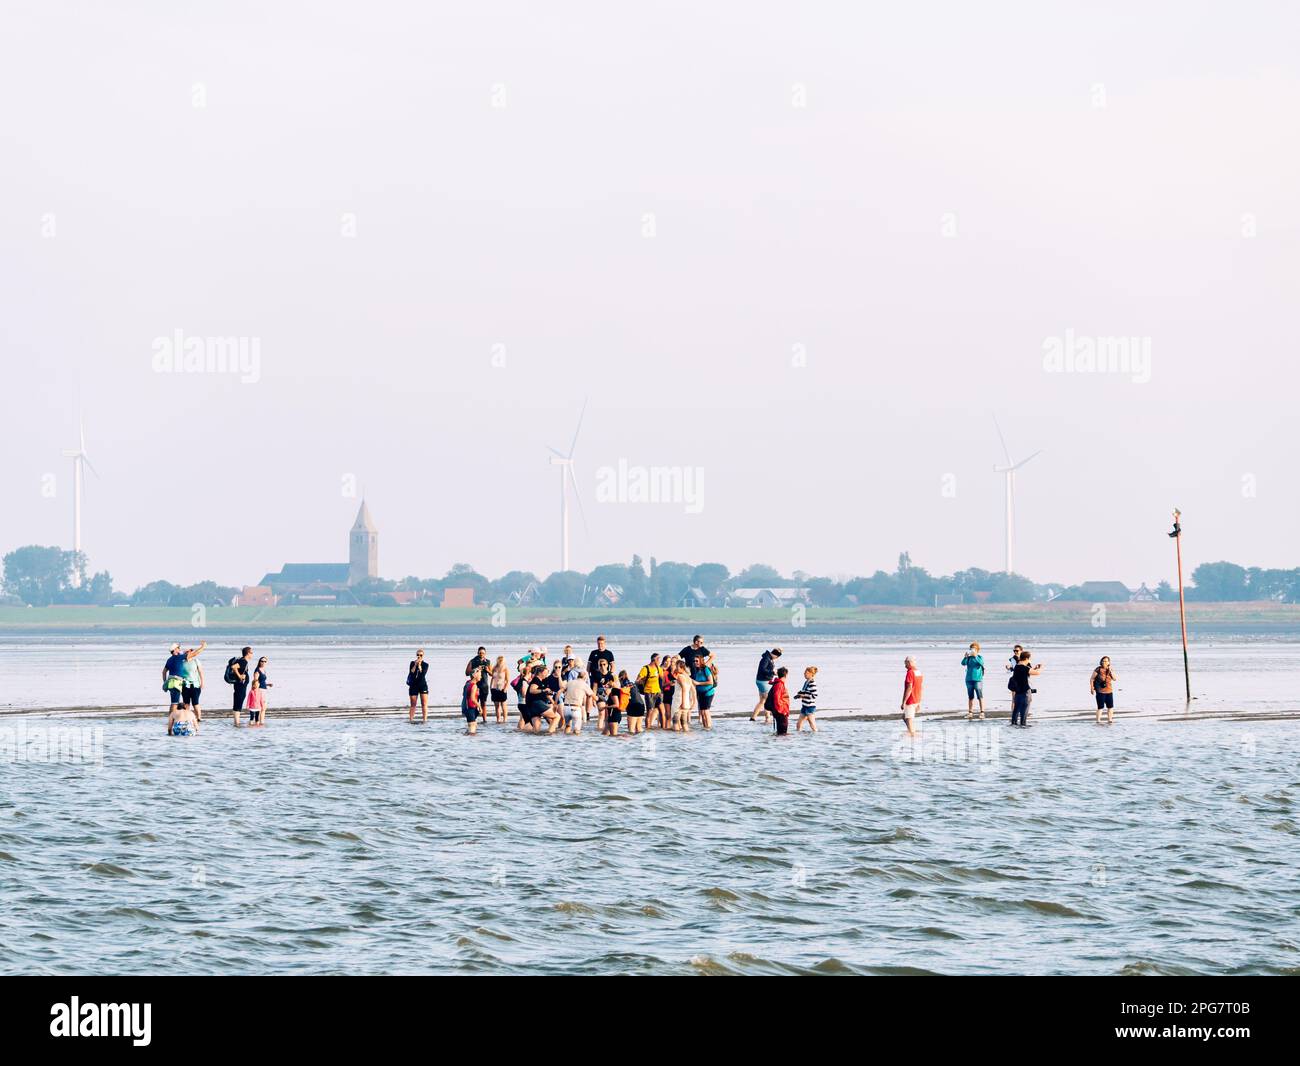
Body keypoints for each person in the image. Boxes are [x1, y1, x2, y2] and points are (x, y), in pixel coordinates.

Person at [523, 665, 561, 734]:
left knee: (537, 729)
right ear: (540, 673)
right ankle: (550, 733)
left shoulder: (541, 681)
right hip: (536, 704)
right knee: (557, 716)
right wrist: (543, 690)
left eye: (547, 672)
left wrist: (553, 702)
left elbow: (545, 693)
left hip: (531, 706)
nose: (546, 674)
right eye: (545, 673)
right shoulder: (536, 679)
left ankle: (535, 744)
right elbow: (532, 690)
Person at [1008, 650, 1042, 727]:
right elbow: (1037, 673)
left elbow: (1028, 672)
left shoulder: (1016, 667)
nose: (1030, 661)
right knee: (1023, 717)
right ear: (1026, 658)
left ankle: (1014, 727)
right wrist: (1040, 668)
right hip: (1025, 693)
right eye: (1029, 659)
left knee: (1015, 712)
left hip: (1017, 693)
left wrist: (1035, 668)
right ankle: (1023, 731)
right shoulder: (1024, 668)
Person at [751, 647, 782, 722]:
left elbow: (765, 670)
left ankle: (755, 717)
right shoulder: (766, 659)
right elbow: (763, 669)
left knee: (762, 701)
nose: (776, 659)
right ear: (775, 655)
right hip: (763, 681)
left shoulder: (768, 658)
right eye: (777, 657)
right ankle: (767, 718)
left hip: (762, 681)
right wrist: (772, 672)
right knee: (767, 700)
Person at [226, 646, 254, 727]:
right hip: (240, 686)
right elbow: (233, 667)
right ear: (248, 653)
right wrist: (240, 676)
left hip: (239, 685)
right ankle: (237, 723)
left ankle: (236, 722)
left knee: (237, 704)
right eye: (251, 653)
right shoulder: (243, 661)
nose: (252, 654)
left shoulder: (242, 660)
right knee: (238, 704)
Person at [561, 669, 592, 734]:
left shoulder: (570, 682)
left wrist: (555, 703)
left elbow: (559, 692)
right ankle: (575, 743)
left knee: (567, 727)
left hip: (566, 708)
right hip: (576, 708)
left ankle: (564, 742)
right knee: (577, 731)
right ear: (585, 677)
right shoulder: (584, 684)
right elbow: (591, 695)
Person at [179, 643, 205, 721]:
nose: (188, 652)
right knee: (186, 703)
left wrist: (202, 682)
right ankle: (187, 718)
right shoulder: (181, 662)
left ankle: (199, 718)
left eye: (190, 651)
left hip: (195, 685)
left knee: (195, 703)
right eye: (186, 651)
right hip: (185, 685)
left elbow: (201, 672)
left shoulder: (196, 661)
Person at [636, 653, 663, 728]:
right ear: (654, 660)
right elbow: (637, 680)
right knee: (649, 712)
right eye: (658, 659)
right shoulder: (645, 668)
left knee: (662, 711)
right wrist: (642, 680)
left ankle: (664, 729)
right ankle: (648, 728)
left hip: (658, 692)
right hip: (649, 693)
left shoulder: (658, 668)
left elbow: (663, 678)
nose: (659, 661)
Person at [691, 655, 717, 730]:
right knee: (702, 712)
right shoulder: (696, 670)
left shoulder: (705, 669)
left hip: (708, 692)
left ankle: (709, 728)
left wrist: (698, 683)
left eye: (697, 661)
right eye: (694, 661)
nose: (695, 662)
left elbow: (711, 682)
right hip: (700, 693)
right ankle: (705, 728)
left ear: (701, 661)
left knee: (706, 711)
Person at [466, 647, 491, 722]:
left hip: (484, 685)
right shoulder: (472, 661)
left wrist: (487, 670)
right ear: (477, 653)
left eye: (483, 653)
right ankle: (473, 718)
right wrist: (476, 669)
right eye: (480, 653)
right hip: (475, 685)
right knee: (473, 702)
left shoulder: (488, 661)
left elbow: (492, 674)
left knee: (483, 703)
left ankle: (484, 720)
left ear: (485, 653)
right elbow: (467, 673)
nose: (481, 654)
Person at [900, 656, 923, 738]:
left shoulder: (910, 672)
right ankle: (912, 731)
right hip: (917, 698)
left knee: (908, 718)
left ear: (909, 663)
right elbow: (920, 687)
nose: (905, 666)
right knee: (904, 717)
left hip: (911, 699)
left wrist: (903, 702)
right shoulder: (918, 672)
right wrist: (919, 702)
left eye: (905, 663)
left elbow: (909, 688)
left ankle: (912, 735)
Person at [961, 642, 986, 720]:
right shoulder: (968, 658)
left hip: (978, 679)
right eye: (971, 648)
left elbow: (981, 663)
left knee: (980, 695)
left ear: (977, 650)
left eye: (974, 648)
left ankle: (982, 712)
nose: (972, 650)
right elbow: (962, 663)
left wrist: (975, 656)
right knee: (970, 696)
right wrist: (965, 657)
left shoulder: (979, 657)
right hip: (968, 679)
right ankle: (970, 712)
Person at [1090, 656, 1117, 725]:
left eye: (1106, 661)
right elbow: (1092, 679)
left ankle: (1110, 720)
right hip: (1100, 691)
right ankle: (1098, 721)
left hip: (1109, 691)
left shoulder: (1110, 669)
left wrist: (1110, 671)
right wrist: (1092, 688)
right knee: (1100, 707)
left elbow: (1114, 679)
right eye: (1103, 661)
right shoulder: (1098, 669)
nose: (1105, 662)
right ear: (1101, 662)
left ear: (1109, 662)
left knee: (1110, 707)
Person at [620, 669, 648, 734]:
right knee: (639, 728)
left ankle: (632, 744)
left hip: (633, 705)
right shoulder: (633, 684)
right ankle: (642, 740)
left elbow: (624, 698)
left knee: (631, 730)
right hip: (641, 705)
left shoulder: (623, 685)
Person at [670, 662, 696, 732]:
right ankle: (686, 738)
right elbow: (693, 691)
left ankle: (677, 740)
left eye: (677, 667)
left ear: (682, 668)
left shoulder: (680, 676)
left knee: (675, 722)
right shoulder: (688, 677)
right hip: (686, 702)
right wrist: (693, 702)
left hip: (679, 701)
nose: (676, 668)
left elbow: (684, 688)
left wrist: (683, 703)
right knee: (684, 723)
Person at [407, 649, 430, 724]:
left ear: (423, 656)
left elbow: (422, 674)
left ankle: (425, 720)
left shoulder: (425, 664)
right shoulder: (412, 663)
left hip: (422, 685)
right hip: (413, 685)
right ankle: (411, 720)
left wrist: (420, 665)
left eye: (421, 655)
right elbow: (411, 672)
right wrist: (415, 665)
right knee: (413, 704)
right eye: (418, 655)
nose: (419, 656)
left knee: (424, 704)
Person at [248, 656, 271, 726]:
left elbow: (262, 681)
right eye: (262, 661)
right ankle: (260, 722)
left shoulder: (263, 670)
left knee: (264, 708)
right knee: (262, 707)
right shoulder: (257, 671)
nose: (263, 662)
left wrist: (267, 684)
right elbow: (255, 682)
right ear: (259, 661)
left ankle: (261, 722)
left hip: (264, 689)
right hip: (260, 690)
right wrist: (255, 692)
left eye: (265, 661)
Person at [794, 666, 819, 732]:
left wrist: (803, 696)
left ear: (811, 674)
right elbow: (805, 691)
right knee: (798, 725)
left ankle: (816, 736)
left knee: (812, 725)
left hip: (810, 707)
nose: (804, 674)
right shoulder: (806, 682)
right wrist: (799, 694)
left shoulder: (812, 683)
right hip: (804, 706)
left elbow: (814, 695)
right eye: (804, 672)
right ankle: (799, 738)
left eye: (806, 673)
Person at [769, 666, 791, 736]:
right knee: (783, 734)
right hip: (781, 712)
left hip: (779, 711)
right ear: (786, 675)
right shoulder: (779, 684)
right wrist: (782, 711)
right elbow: (776, 698)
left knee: (781, 733)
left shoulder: (778, 683)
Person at [490, 656, 511, 723]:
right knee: (496, 705)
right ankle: (498, 719)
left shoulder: (505, 669)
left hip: (502, 688)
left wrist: (505, 688)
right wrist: (491, 686)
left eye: (502, 660)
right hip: (494, 688)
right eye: (499, 660)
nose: (500, 661)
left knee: (503, 704)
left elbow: (507, 680)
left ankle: (505, 719)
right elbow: (492, 678)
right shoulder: (494, 668)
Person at [462, 668, 483, 734]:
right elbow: (472, 698)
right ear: (475, 676)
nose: (481, 676)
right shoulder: (474, 686)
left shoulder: (467, 683)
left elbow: (464, 694)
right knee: (472, 730)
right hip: (471, 708)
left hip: (466, 707)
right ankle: (471, 743)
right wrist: (479, 706)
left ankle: (468, 740)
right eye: (480, 675)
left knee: (472, 725)